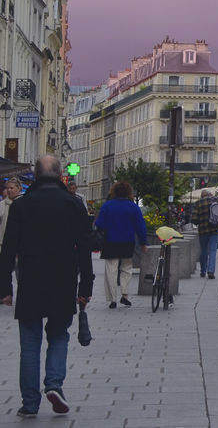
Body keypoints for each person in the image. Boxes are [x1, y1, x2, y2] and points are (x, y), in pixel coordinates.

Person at [0, 155, 94, 418]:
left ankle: (30, 403)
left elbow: (8, 249)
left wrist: (5, 286)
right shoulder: (73, 204)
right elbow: (85, 248)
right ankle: (53, 384)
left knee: (29, 343)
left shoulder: (21, 205)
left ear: (37, 175)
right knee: (58, 334)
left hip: (30, 279)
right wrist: (85, 286)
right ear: (59, 173)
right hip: (63, 279)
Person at [93, 181, 148, 309]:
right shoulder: (133, 207)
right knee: (126, 268)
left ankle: (112, 299)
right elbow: (140, 226)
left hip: (110, 241)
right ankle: (124, 294)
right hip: (127, 241)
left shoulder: (107, 206)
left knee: (111, 270)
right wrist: (143, 242)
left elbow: (100, 224)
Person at [190, 189, 218, 279]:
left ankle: (203, 271)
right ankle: (211, 271)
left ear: (201, 196)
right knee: (213, 251)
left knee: (203, 251)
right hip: (214, 230)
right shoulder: (214, 201)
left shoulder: (198, 203)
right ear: (208, 195)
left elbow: (194, 219)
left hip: (203, 231)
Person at [0, 179, 21, 247]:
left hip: (19, 244)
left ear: (19, 188)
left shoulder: (24, 203)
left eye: (11, 188)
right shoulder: (1, 204)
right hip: (2, 243)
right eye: (7, 188)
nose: (8, 190)